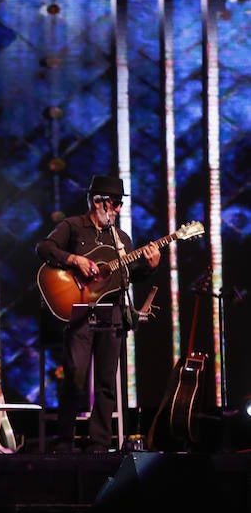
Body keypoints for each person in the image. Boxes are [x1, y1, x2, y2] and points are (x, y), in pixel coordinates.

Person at [35, 174, 159, 453]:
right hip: (78, 311)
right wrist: (74, 259)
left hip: (111, 311)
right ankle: (65, 440)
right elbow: (43, 248)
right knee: (75, 377)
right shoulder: (72, 227)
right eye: (114, 203)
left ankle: (100, 443)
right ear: (97, 201)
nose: (117, 209)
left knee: (106, 381)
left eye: (119, 205)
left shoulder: (122, 240)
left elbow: (130, 275)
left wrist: (150, 265)